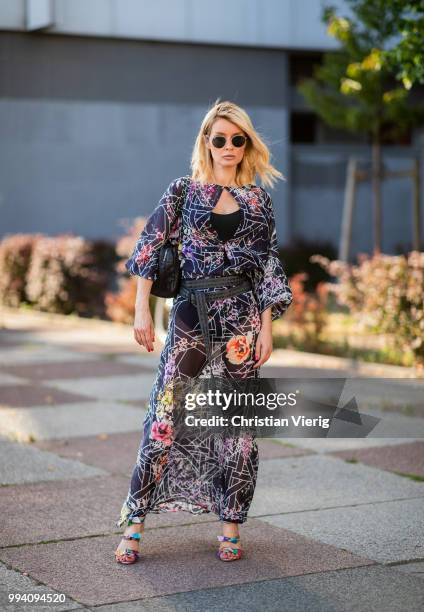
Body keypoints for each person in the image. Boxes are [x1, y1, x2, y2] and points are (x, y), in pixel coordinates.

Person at [114, 99, 293, 564]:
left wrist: (267, 326)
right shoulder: (182, 192)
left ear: (247, 144)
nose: (229, 147)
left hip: (242, 325)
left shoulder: (259, 200)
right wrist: (140, 310)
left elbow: (268, 263)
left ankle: (230, 526)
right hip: (191, 317)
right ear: (206, 143)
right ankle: (134, 522)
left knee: (238, 429)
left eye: (238, 139)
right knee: (165, 416)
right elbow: (149, 246)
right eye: (221, 139)